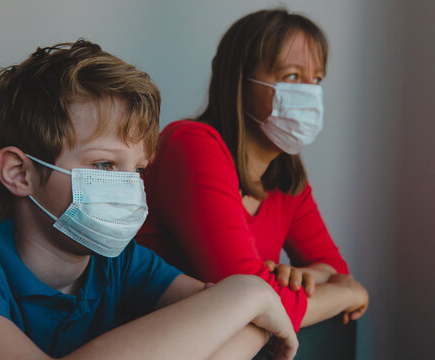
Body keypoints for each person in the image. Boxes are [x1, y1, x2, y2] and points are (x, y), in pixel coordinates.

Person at [0, 40, 301, 360]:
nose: (129, 187)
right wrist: (248, 291)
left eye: (139, 170)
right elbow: (240, 311)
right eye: (105, 164)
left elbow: (246, 323)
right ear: (20, 173)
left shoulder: (122, 264)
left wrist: (246, 302)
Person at [136, 8, 369, 354]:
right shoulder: (193, 144)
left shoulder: (286, 176)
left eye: (316, 79)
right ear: (239, 80)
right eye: (291, 77)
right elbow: (253, 300)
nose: (309, 94)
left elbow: (333, 269)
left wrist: (302, 277)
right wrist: (350, 293)